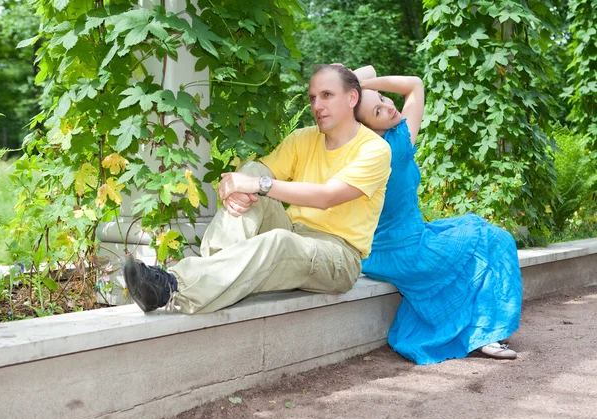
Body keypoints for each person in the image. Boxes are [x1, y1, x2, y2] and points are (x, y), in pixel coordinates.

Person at [123, 64, 392, 315]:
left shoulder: (374, 149)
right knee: (253, 170)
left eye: (326, 95)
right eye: (312, 98)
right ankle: (215, 273)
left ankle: (172, 289)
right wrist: (240, 183)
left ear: (352, 98)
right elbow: (258, 176)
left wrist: (258, 185)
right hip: (295, 233)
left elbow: (327, 197)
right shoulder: (304, 138)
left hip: (337, 257)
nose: (317, 106)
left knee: (274, 227)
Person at [352, 65, 523, 364]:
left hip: (377, 253)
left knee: (479, 234)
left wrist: (355, 89)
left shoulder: (357, 151)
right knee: (496, 239)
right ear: (367, 126)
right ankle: (485, 334)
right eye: (378, 111)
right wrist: (362, 84)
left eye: (383, 98)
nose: (390, 106)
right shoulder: (397, 145)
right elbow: (414, 84)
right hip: (409, 251)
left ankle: (481, 329)